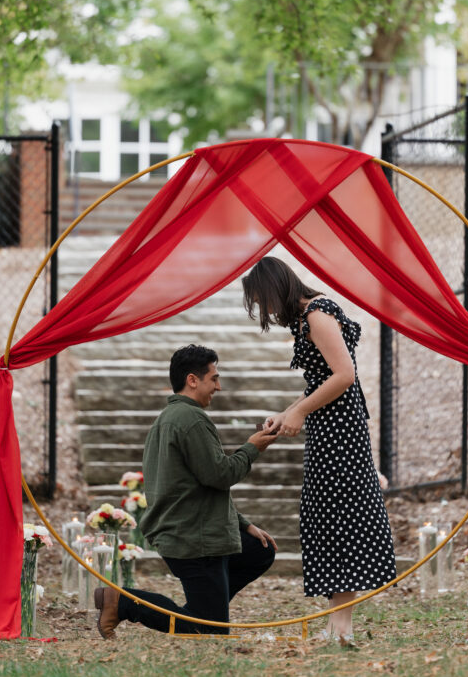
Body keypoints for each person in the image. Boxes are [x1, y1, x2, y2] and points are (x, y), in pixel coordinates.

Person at [242, 256, 396, 641]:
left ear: (276, 287)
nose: (265, 309)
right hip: (329, 427)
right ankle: (337, 625)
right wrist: (288, 413)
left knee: (335, 518)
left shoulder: (317, 314)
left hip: (340, 430)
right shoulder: (305, 318)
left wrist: (302, 413)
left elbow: (344, 375)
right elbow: (320, 382)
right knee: (326, 518)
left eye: (263, 300)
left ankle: (341, 628)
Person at [94, 344, 279, 638]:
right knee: (208, 629)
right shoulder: (192, 420)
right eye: (214, 378)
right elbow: (220, 475)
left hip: (193, 530)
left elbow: (195, 485)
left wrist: (243, 524)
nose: (218, 386)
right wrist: (252, 447)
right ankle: (122, 601)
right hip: (194, 538)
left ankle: (205, 606)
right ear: (192, 380)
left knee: (259, 551)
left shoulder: (168, 418)